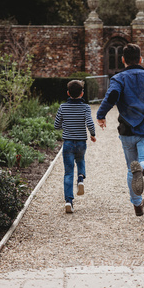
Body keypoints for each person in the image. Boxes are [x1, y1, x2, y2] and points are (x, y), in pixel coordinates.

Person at [96, 43, 144, 216]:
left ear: (122, 60)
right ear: (140, 59)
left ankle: (137, 204)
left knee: (131, 168)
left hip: (127, 129)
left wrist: (101, 114)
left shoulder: (118, 78)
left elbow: (112, 96)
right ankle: (143, 170)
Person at [54, 80, 96, 213]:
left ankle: (68, 201)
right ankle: (81, 179)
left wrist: (65, 126)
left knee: (68, 172)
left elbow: (56, 125)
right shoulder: (85, 107)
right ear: (82, 93)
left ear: (68, 93)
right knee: (81, 159)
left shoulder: (62, 107)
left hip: (67, 143)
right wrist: (93, 134)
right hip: (81, 142)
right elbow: (89, 122)